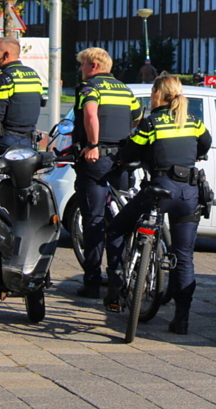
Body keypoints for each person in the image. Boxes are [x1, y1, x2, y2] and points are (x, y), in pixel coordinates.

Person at [104, 75, 212, 334]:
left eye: (153, 92)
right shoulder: (194, 121)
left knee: (117, 228)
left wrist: (119, 158)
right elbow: (204, 144)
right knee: (184, 255)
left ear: (158, 94)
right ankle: (181, 319)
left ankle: (117, 280)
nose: (151, 96)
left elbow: (131, 150)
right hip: (189, 194)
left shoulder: (151, 122)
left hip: (160, 191)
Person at [72, 47, 142, 298]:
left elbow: (90, 114)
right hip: (120, 160)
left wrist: (93, 144)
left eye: (82, 65)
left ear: (93, 65)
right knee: (119, 220)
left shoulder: (89, 88)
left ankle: (91, 282)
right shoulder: (125, 89)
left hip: (96, 159)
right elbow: (137, 117)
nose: (80, 69)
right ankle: (118, 276)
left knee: (93, 220)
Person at [0, 37, 43, 158]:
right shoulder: (33, 75)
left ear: (6, 55)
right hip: (29, 141)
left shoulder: (4, 77)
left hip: (6, 141)